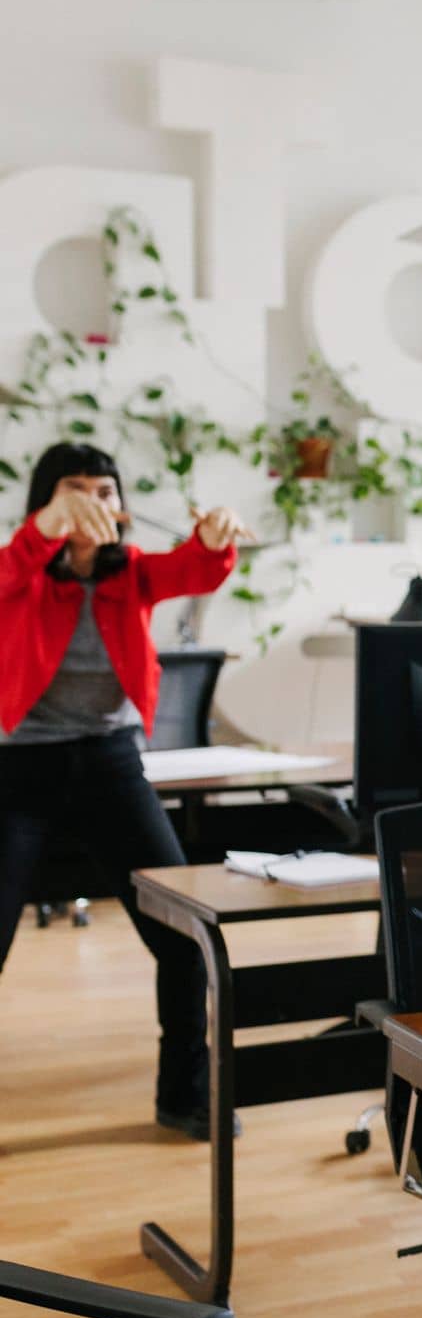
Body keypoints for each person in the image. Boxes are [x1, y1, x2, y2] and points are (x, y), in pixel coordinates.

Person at [0, 442, 250, 1139]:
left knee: (182, 932)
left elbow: (194, 568)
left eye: (104, 490)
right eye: (72, 490)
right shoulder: (19, 566)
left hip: (111, 764)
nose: (90, 502)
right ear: (44, 504)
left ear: (121, 506)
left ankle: (184, 1094)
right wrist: (40, 535)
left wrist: (214, 536)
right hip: (20, 769)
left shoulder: (133, 572)